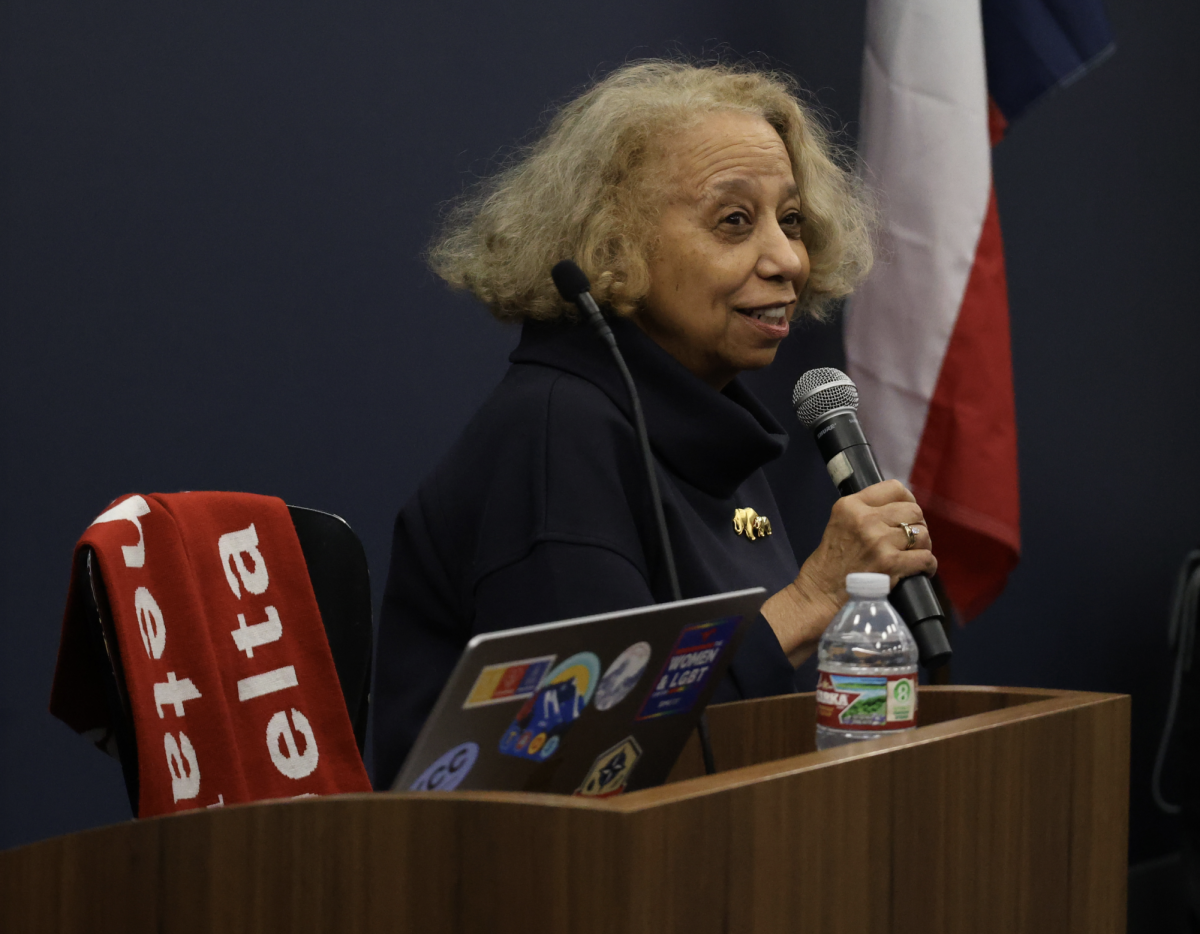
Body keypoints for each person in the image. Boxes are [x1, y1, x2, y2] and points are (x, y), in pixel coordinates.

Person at [372, 60, 937, 789]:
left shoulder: (710, 429)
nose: (788, 259)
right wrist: (814, 598)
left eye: (790, 220)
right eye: (735, 221)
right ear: (612, 244)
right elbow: (587, 768)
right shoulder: (555, 438)